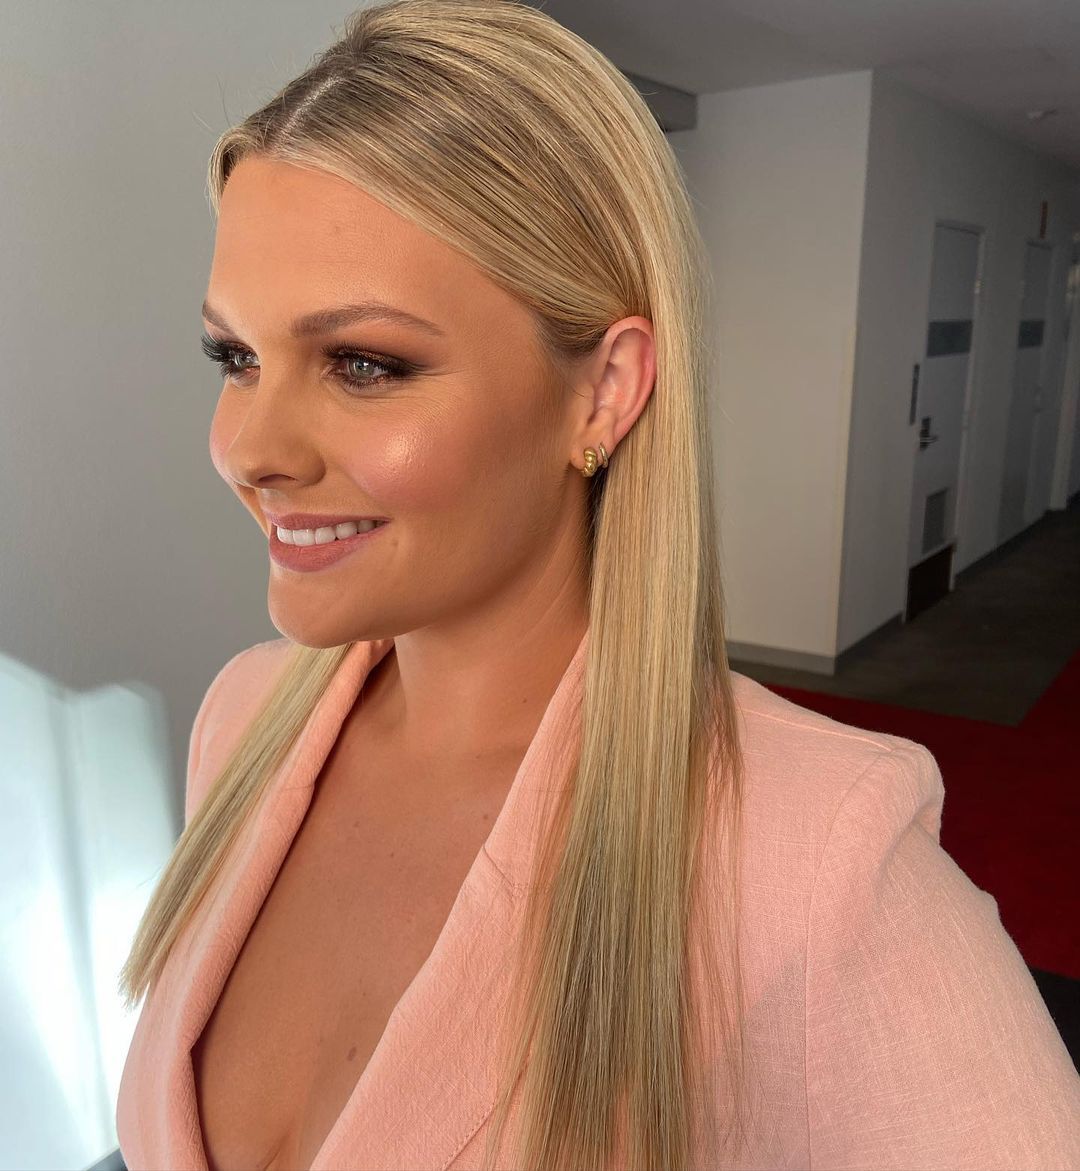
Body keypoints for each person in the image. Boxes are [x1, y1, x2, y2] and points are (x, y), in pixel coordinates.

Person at [115, 1, 1080, 1168]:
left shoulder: (815, 855)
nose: (251, 450)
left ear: (604, 390)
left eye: (363, 363)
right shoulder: (243, 718)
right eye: (237, 357)